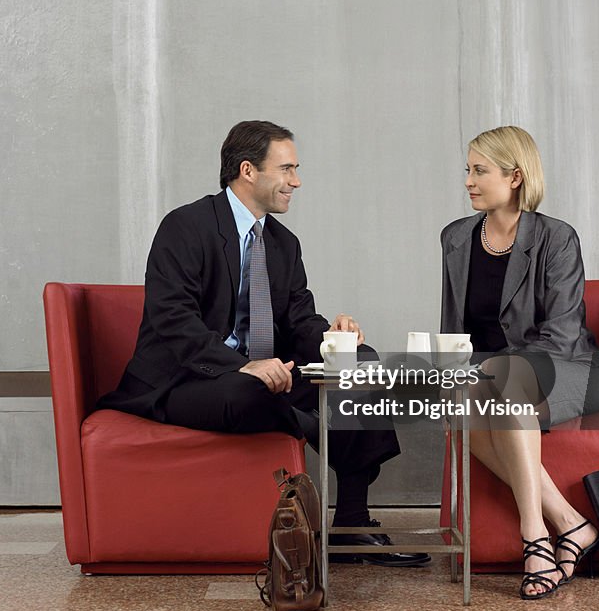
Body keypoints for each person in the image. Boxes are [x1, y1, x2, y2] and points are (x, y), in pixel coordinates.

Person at [100, 120, 429, 567]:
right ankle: (313, 426)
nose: (297, 180)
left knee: (359, 365)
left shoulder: (282, 243)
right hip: (186, 379)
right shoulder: (186, 226)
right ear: (248, 170)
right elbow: (172, 320)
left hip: (265, 376)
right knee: (250, 388)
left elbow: (298, 320)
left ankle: (353, 523)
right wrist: (241, 365)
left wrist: (336, 339)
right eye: (287, 168)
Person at [440, 125, 599, 599]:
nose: (468, 181)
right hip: (497, 377)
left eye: (480, 171)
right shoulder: (456, 238)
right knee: (464, 404)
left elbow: (560, 336)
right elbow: (456, 331)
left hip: (572, 370)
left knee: (506, 381)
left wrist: (494, 372)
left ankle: (534, 535)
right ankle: (571, 524)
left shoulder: (556, 238)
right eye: (468, 170)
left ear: (515, 176)